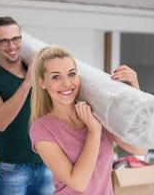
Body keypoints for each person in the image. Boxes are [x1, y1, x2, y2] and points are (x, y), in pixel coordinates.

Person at [29, 46, 147, 195]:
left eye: (71, 74)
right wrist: (94, 130)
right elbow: (78, 183)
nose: (67, 83)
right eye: (56, 77)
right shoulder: (41, 128)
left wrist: (135, 94)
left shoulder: (97, 111)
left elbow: (139, 149)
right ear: (42, 83)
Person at [0, 17, 54, 195]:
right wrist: (27, 82)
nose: (11, 46)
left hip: (48, 162)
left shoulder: (40, 72)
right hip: (13, 168)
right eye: (3, 41)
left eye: (15, 39)